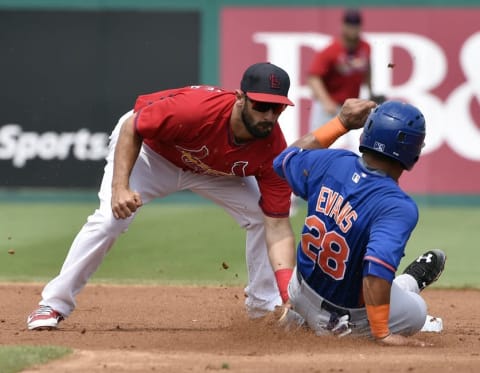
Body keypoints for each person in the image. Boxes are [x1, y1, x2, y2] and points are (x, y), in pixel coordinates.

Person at [27, 62, 301, 330]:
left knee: (261, 217)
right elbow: (133, 127)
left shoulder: (274, 149)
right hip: (153, 155)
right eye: (261, 106)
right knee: (111, 221)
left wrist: (287, 292)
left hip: (211, 171)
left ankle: (264, 307)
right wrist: (120, 187)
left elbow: (277, 227)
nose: (268, 115)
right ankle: (53, 304)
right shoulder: (195, 110)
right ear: (240, 98)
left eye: (276, 108)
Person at [270, 99, 447, 346]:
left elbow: (284, 160)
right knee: (417, 311)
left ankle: (301, 317)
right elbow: (375, 271)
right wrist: (382, 333)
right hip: (337, 320)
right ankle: (410, 283)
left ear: (366, 134)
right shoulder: (397, 205)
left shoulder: (331, 160)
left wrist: (341, 123)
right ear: (413, 154)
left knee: (377, 281)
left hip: (298, 291)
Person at [307, 9, 373, 134]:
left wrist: (370, 90)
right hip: (331, 104)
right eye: (349, 25)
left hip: (352, 105)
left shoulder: (365, 47)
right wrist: (326, 101)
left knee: (359, 144)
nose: (352, 29)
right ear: (342, 26)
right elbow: (314, 77)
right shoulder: (331, 50)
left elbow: (368, 68)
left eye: (355, 25)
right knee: (316, 141)